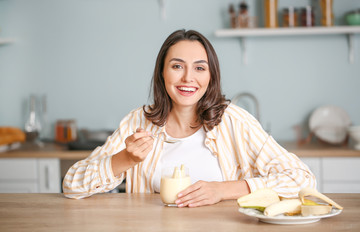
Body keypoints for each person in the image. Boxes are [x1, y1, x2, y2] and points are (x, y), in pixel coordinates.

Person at [63, 29, 316, 207]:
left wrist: (222, 190)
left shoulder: (234, 121)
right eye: (176, 66)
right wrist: (125, 158)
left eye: (199, 68)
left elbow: (301, 178)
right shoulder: (137, 122)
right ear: (162, 73)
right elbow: (72, 185)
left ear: (210, 76)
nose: (187, 78)